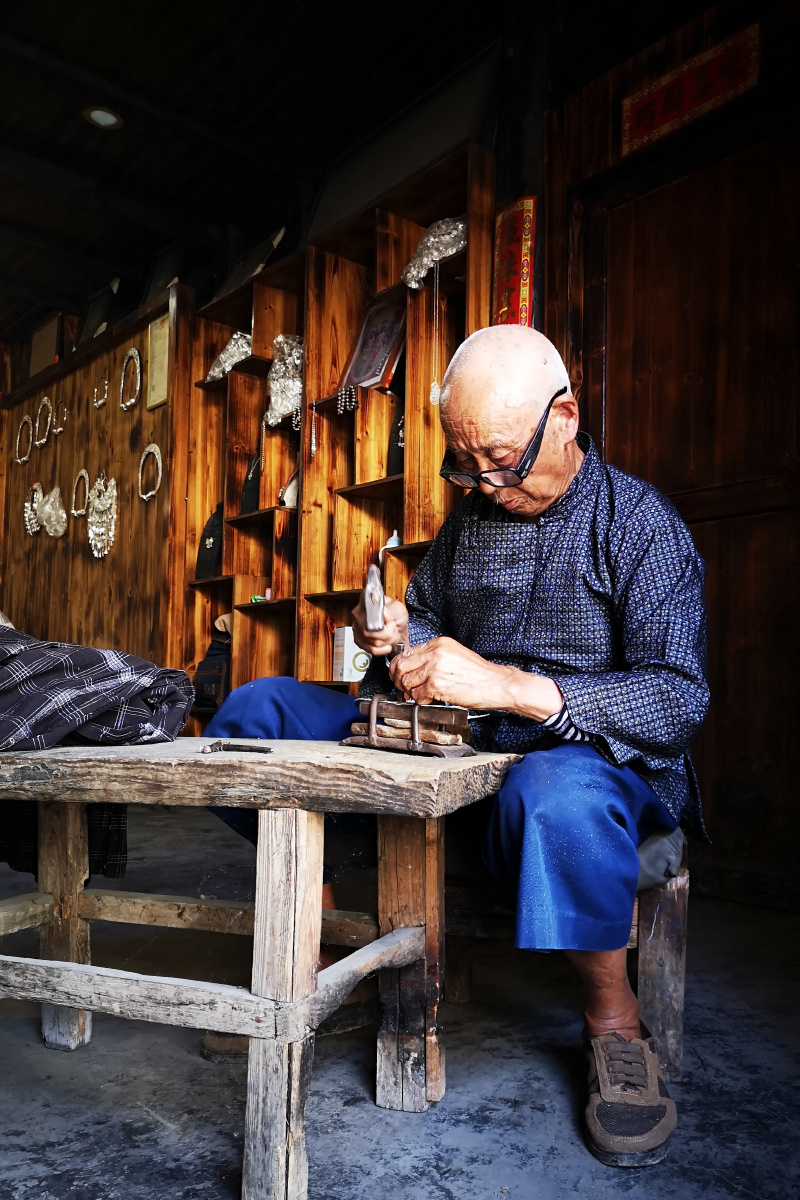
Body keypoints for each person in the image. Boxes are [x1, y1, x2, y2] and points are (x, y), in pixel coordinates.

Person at [207, 324, 708, 1167]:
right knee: (259, 713)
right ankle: (324, 933)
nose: (483, 483)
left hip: (580, 763)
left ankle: (613, 1021)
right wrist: (402, 633)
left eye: (502, 461)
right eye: (464, 464)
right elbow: (430, 613)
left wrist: (513, 687)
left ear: (567, 417)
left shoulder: (641, 527)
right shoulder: (472, 515)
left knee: (555, 797)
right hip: (451, 747)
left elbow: (677, 698)